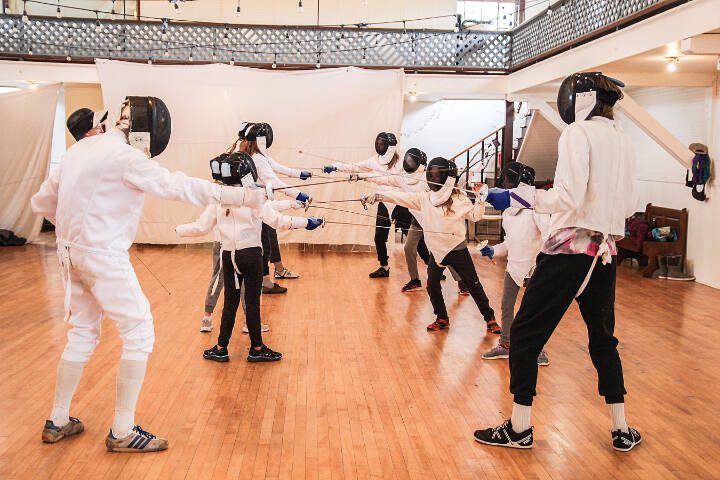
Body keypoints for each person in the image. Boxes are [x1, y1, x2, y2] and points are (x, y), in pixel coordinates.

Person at [31, 97, 266, 452]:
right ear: (151, 130)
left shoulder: (81, 149)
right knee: (139, 332)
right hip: (103, 257)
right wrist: (241, 196)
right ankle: (123, 431)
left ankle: (58, 420)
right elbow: (178, 186)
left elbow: (44, 203)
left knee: (82, 333)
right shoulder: (126, 158)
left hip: (69, 254)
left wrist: (75, 234)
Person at [474, 72, 641, 452]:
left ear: (577, 100)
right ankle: (622, 429)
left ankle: (519, 428)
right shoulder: (624, 140)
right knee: (603, 340)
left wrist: (518, 197)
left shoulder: (577, 133)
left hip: (569, 250)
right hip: (604, 252)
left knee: (526, 337)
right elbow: (628, 205)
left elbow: (566, 198)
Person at [177, 151, 322, 362]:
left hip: (229, 257)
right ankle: (256, 348)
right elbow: (278, 220)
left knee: (230, 303)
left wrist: (178, 230)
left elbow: (201, 227)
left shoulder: (219, 200)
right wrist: (306, 223)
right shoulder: (254, 198)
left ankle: (221, 348)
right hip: (251, 256)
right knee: (252, 302)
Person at [362, 157, 500, 334]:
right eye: (432, 174)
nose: (433, 178)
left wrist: (480, 201)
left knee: (473, 285)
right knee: (432, 286)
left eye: (437, 175)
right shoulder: (424, 198)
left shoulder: (458, 198)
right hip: (436, 251)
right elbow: (402, 197)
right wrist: (379, 195)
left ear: (448, 178)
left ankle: (490, 319)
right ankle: (441, 318)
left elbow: (475, 216)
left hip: (456, 249)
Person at [352, 147, 465, 293]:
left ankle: (462, 282)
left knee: (443, 250)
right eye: (407, 159)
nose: (408, 162)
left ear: (420, 163)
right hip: (417, 220)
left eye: (412, 160)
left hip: (433, 219)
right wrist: (361, 176)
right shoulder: (402, 177)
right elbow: (382, 178)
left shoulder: (427, 177)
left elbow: (445, 188)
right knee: (408, 247)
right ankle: (415, 280)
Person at [196, 197, 307, 333]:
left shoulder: (241, 195)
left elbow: (268, 206)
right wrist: (294, 205)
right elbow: (269, 208)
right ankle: (208, 318)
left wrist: (293, 203)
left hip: (238, 246)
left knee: (241, 285)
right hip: (227, 246)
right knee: (222, 281)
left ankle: (246, 322)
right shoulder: (234, 196)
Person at [479, 162, 550, 366]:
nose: (506, 183)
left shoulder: (538, 208)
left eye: (510, 179)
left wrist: (543, 264)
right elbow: (510, 241)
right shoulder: (509, 212)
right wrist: (494, 250)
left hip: (534, 268)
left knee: (533, 310)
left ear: (522, 182)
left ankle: (537, 349)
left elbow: (549, 237)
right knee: (506, 306)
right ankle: (506, 344)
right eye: (505, 179)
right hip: (513, 266)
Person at [236, 122, 312, 294]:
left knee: (268, 242)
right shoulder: (256, 158)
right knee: (263, 246)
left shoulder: (257, 155)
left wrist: (299, 174)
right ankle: (265, 283)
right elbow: (274, 182)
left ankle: (270, 276)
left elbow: (277, 168)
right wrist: (298, 194)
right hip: (258, 207)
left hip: (259, 205)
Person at [324, 132, 403, 278]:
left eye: (382, 144)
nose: (379, 146)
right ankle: (384, 267)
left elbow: (388, 179)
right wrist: (335, 167)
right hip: (384, 202)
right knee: (379, 237)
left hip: (401, 203)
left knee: (417, 240)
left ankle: (436, 268)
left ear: (390, 147)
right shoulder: (375, 161)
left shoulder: (401, 163)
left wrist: (362, 177)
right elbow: (354, 167)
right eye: (378, 143)